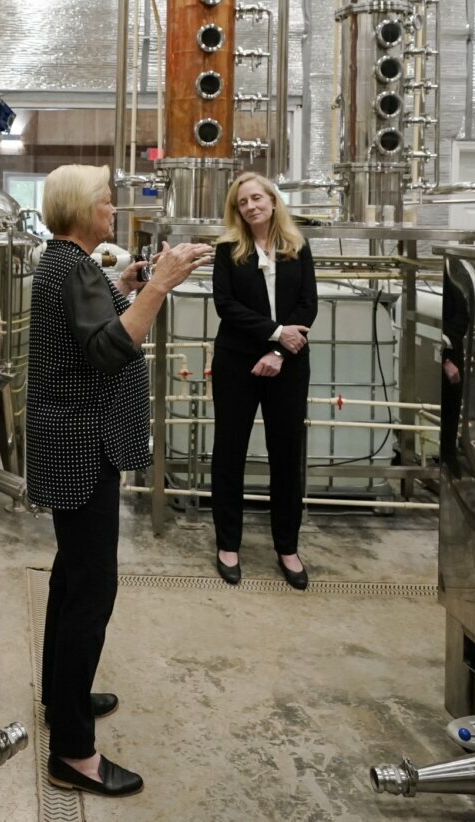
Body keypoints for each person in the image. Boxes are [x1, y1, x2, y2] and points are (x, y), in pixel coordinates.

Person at [27, 163, 210, 799]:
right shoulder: (73, 268)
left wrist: (124, 288)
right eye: (106, 201)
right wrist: (158, 285)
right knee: (91, 590)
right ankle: (73, 753)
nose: (113, 209)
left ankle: (62, 698)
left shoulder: (68, 264)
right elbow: (109, 351)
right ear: (82, 210)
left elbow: (94, 331)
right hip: (84, 447)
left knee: (71, 575)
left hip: (74, 442)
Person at [208, 172, 320, 589]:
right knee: (229, 451)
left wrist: (279, 352)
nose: (251, 206)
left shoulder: (298, 246)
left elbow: (308, 304)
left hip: (287, 363)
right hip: (237, 361)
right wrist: (275, 333)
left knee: (287, 455)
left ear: (273, 201)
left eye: (257, 198)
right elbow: (225, 305)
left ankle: (287, 547)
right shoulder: (228, 250)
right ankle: (228, 545)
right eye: (243, 202)